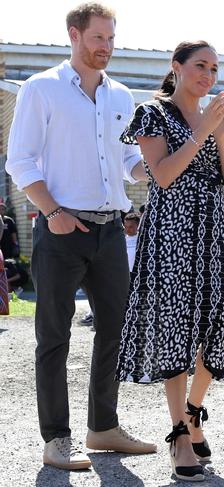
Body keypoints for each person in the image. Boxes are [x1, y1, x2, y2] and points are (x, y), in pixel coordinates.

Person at [5, 2, 156, 471]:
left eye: (111, 39)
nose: (106, 47)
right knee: (54, 336)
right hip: (60, 227)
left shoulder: (122, 97)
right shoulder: (41, 89)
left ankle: (103, 427)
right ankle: (56, 439)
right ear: (74, 35)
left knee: (116, 329)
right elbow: (21, 161)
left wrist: (157, 168)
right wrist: (52, 212)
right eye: (98, 38)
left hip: (111, 230)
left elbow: (128, 164)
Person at [115, 40, 224, 482]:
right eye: (200, 66)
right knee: (175, 330)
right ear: (177, 67)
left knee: (214, 326)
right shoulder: (152, 113)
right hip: (170, 232)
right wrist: (201, 130)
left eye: (214, 68)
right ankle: (177, 433)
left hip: (212, 232)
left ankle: (194, 412)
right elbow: (164, 175)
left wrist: (221, 134)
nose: (208, 75)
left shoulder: (217, 117)